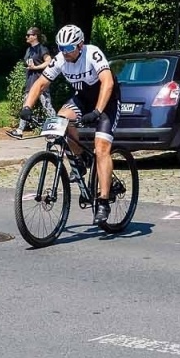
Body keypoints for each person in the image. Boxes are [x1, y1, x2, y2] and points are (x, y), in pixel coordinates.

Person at [20, 25, 119, 223]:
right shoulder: (60, 59)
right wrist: (27, 108)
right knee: (61, 119)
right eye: (61, 48)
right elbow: (40, 84)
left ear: (80, 45)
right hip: (82, 98)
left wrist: (97, 111)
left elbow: (107, 83)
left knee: (101, 149)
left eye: (68, 48)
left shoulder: (92, 53)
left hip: (106, 100)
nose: (64, 52)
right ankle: (80, 160)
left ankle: (103, 200)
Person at [8, 26, 56, 138]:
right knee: (26, 106)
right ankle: (19, 130)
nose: (27, 37)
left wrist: (36, 67)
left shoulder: (42, 49)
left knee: (47, 106)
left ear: (35, 36)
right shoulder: (29, 50)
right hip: (30, 81)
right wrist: (30, 67)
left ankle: (56, 129)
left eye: (29, 35)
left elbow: (49, 62)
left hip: (41, 82)